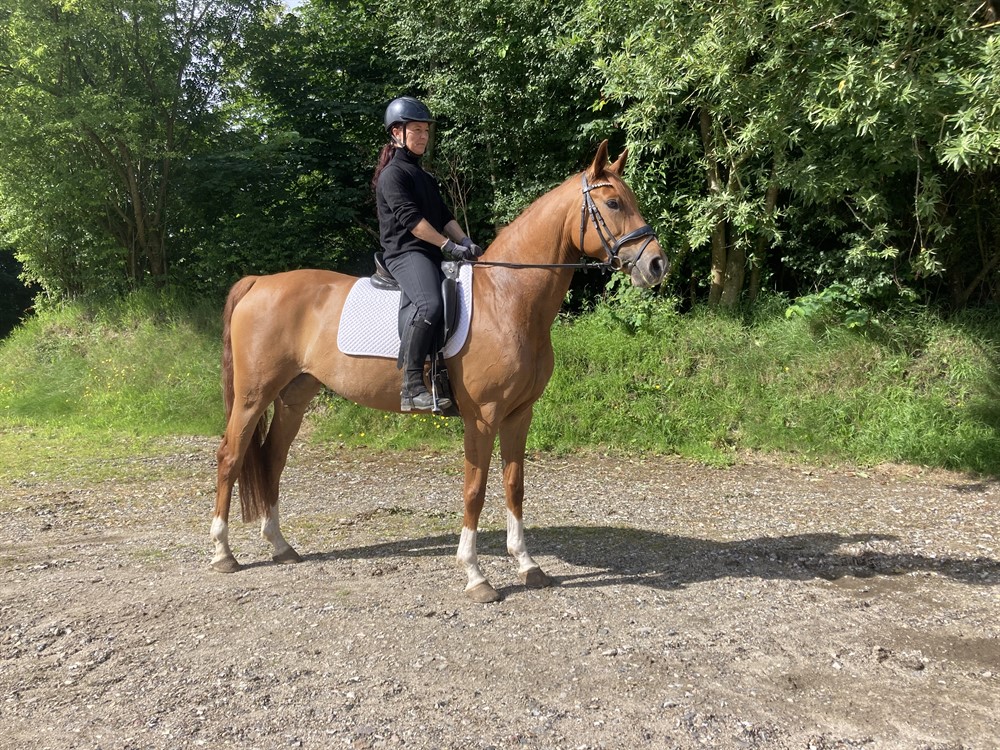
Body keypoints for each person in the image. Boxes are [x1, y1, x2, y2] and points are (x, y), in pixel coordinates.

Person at [373, 96, 484, 412]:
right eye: (416, 130)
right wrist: (448, 246)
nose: (423, 136)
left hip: (430, 252)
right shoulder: (393, 175)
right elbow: (414, 223)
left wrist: (466, 241)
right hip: (405, 252)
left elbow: (444, 217)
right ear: (397, 133)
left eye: (425, 131)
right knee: (429, 304)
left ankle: (445, 377)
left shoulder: (425, 177)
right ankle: (411, 386)